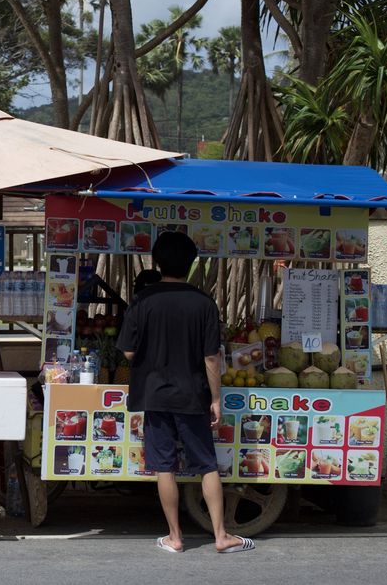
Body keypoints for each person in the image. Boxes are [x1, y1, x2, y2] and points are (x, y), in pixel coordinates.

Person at [116, 232, 255, 554]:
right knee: (207, 465)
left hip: (154, 395)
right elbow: (211, 357)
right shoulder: (204, 304)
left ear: (156, 262)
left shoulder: (143, 302)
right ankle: (221, 536)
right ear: (192, 264)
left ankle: (175, 537)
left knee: (164, 466)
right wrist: (216, 398)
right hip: (193, 394)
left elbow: (127, 353)